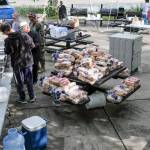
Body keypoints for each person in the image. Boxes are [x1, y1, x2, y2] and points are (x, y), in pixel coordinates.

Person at [0, 23, 36, 104]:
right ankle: (32, 97)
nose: (3, 34)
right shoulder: (25, 35)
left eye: (3, 32)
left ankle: (22, 99)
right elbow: (32, 46)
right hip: (28, 61)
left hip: (17, 64)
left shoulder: (8, 40)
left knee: (20, 81)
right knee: (29, 80)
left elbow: (7, 52)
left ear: (6, 30)